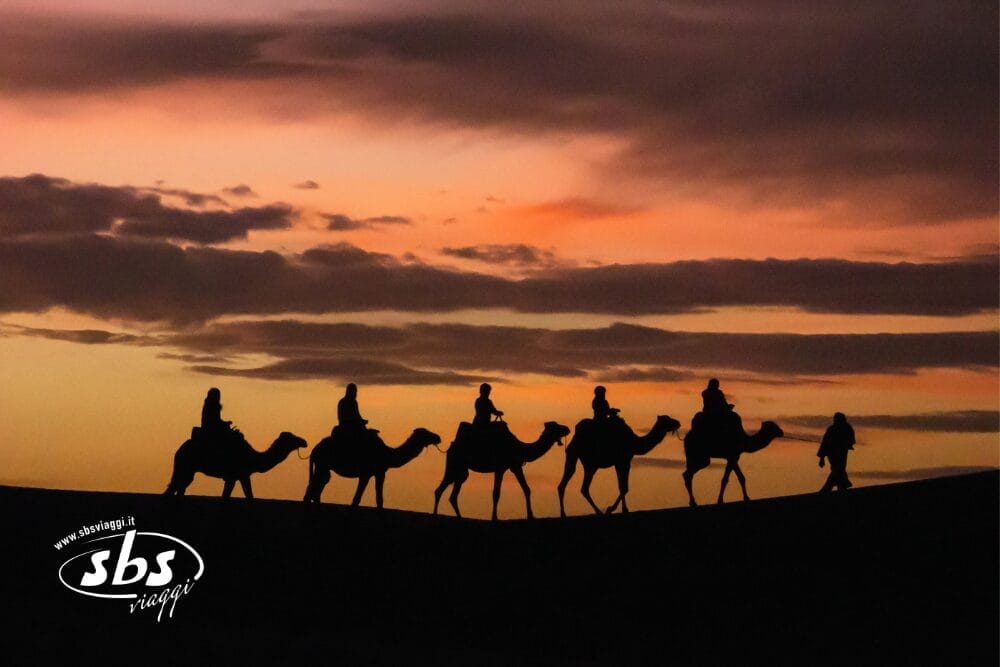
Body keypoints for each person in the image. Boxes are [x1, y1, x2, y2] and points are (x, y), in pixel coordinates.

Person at [818, 412, 856, 492]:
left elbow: (851, 440)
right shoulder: (832, 429)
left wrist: (822, 458)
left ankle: (831, 487)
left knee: (838, 469)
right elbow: (825, 443)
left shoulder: (846, 428)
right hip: (832, 453)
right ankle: (840, 486)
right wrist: (822, 458)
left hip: (841, 452)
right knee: (838, 469)